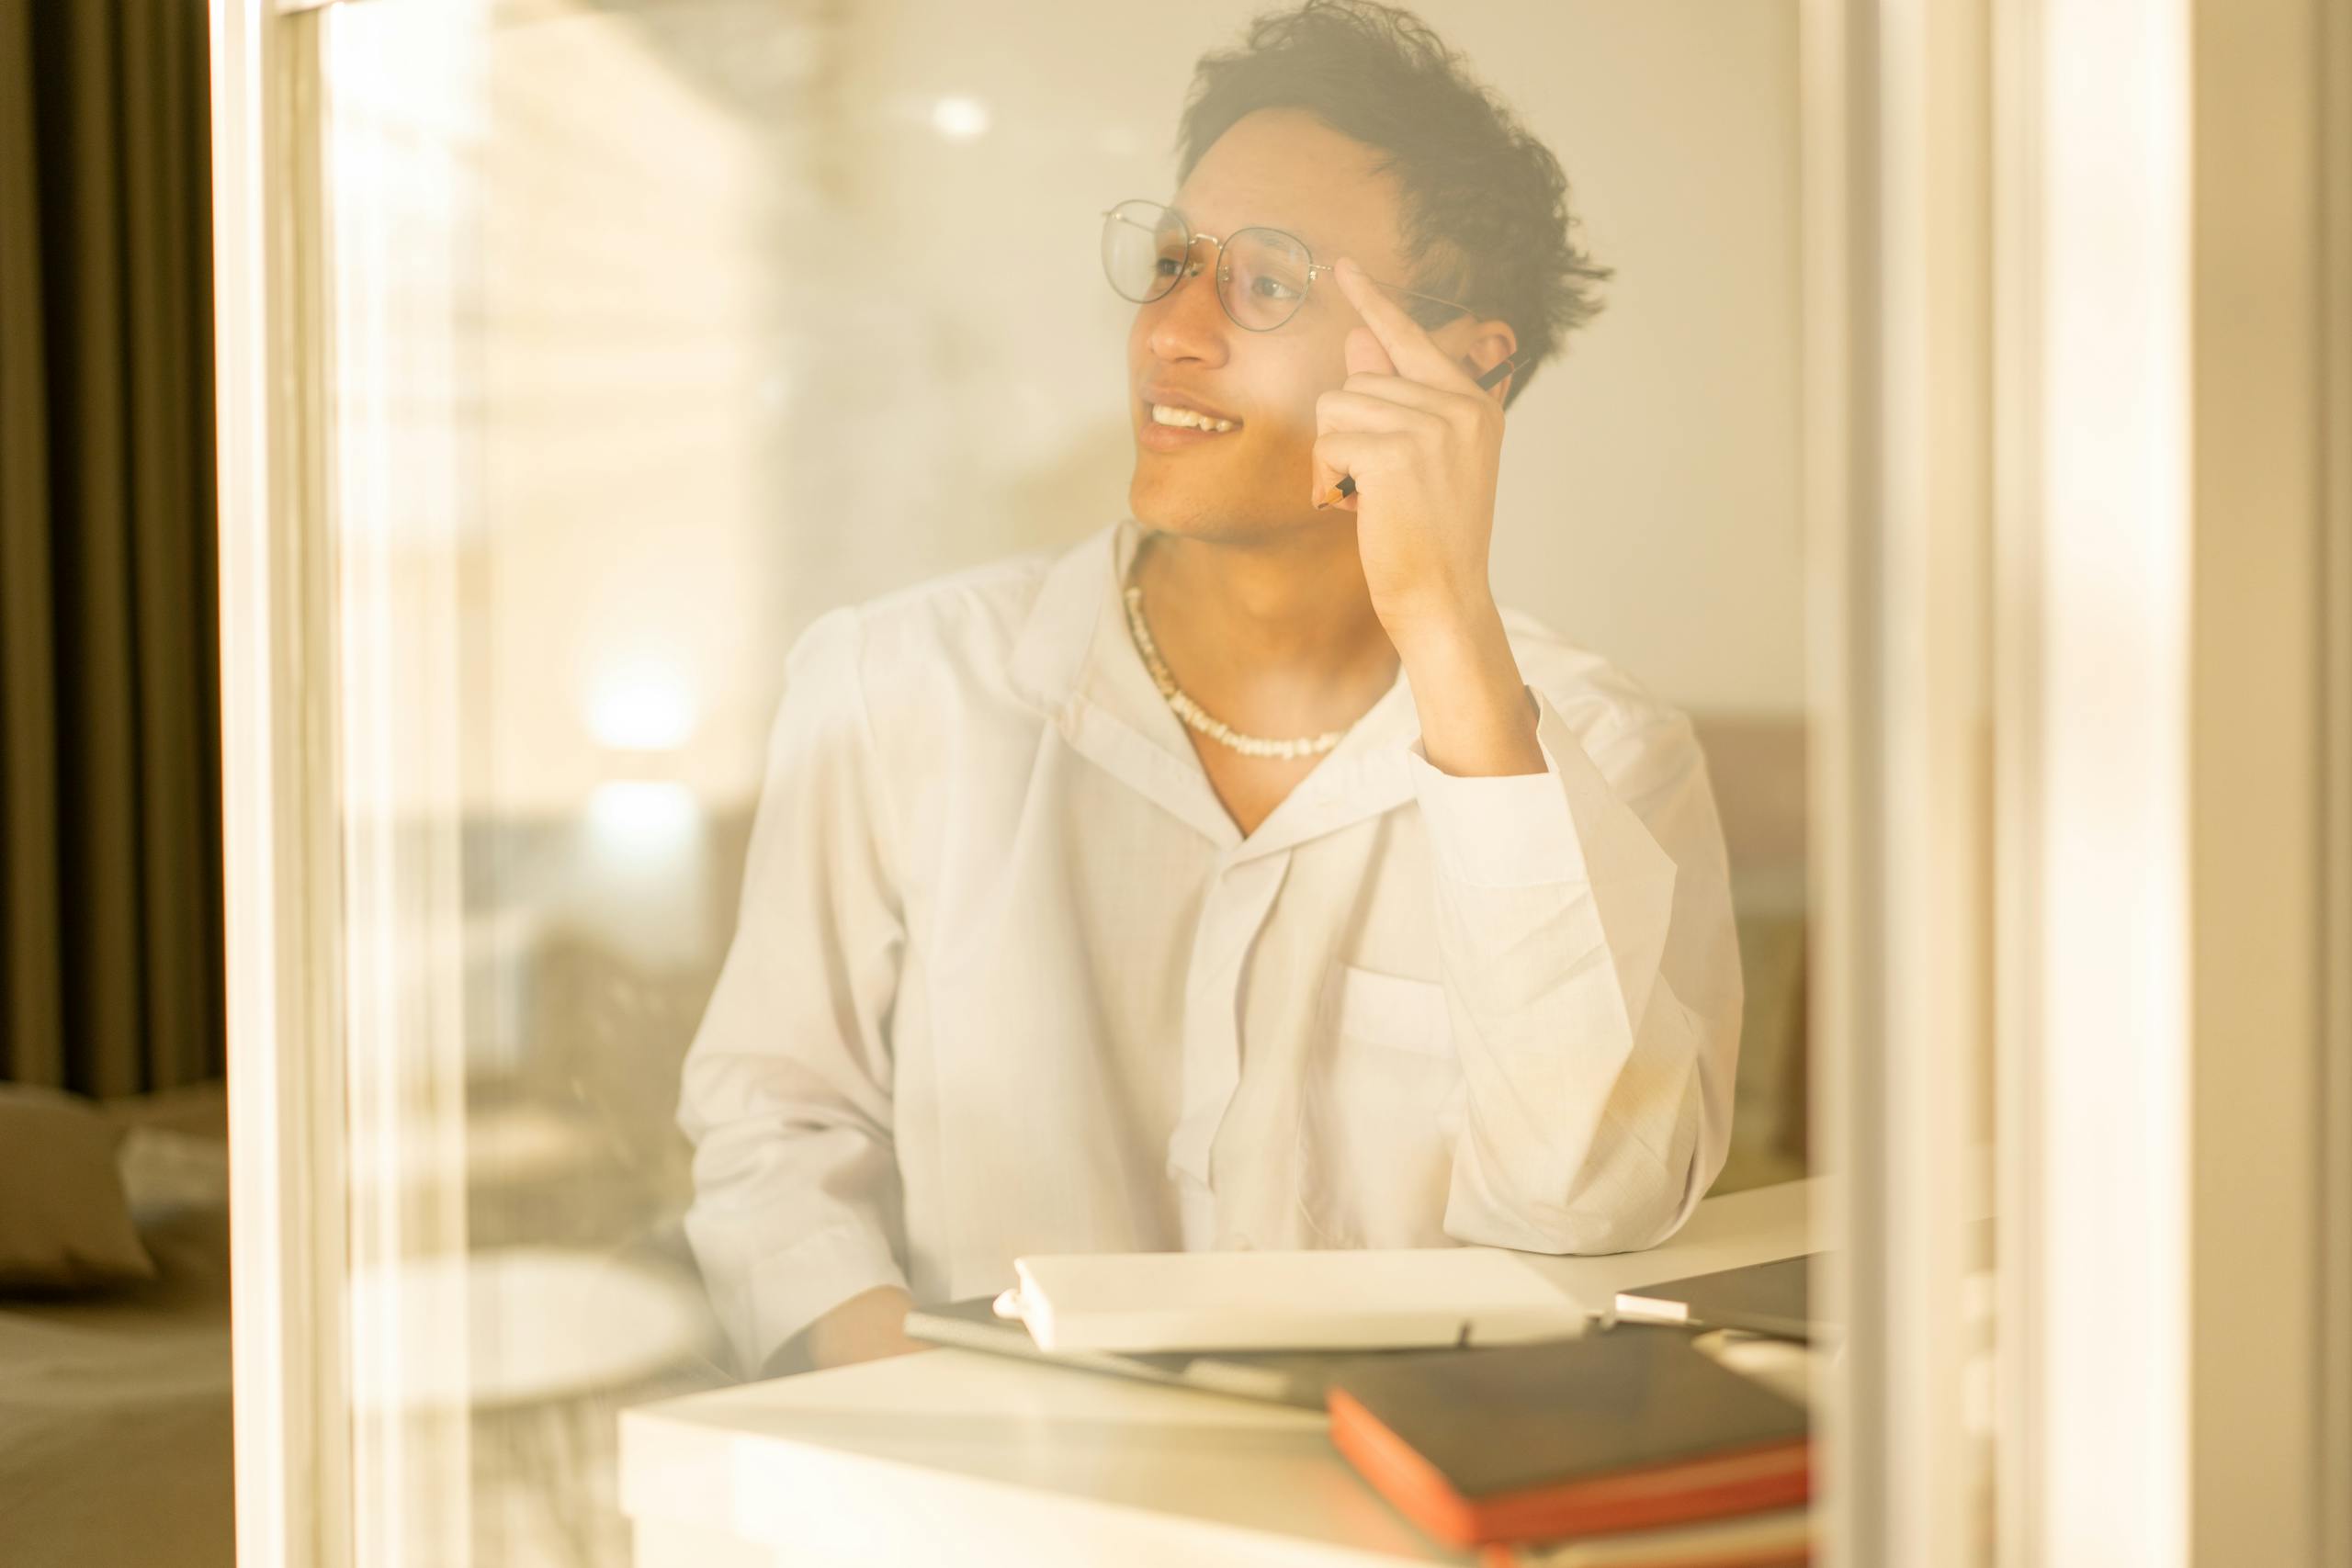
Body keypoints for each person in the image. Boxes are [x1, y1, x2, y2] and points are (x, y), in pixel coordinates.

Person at [678, 0, 1743, 1379]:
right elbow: (773, 1122)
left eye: (1269, 284)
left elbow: (1590, 1204)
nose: (1170, 332)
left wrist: (1451, 634)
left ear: (1460, 369)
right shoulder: (899, 688)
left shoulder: (1606, 756)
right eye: (1175, 262)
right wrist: (922, 1417)